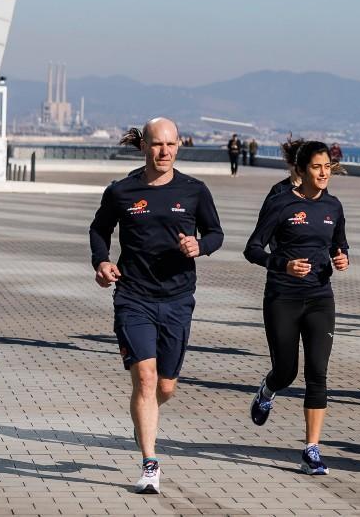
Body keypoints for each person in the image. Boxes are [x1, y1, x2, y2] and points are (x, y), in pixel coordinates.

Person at [89, 118, 224, 494]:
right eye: (157, 145)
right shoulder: (122, 191)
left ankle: (145, 414)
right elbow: (99, 230)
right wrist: (102, 262)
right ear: (144, 146)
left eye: (171, 145)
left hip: (179, 299)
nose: (164, 152)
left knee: (165, 386)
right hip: (134, 296)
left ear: (178, 146)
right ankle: (150, 463)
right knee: (145, 380)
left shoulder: (194, 191)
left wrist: (202, 246)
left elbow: (215, 232)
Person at [243, 141, 350, 476]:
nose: (323, 173)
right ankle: (267, 390)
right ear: (301, 171)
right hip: (283, 297)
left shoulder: (334, 206)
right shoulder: (281, 203)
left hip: (320, 297)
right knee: (286, 371)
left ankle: (311, 449)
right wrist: (282, 264)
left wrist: (341, 256)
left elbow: (339, 243)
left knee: (317, 373)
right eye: (316, 167)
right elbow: (252, 248)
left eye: (327, 166)